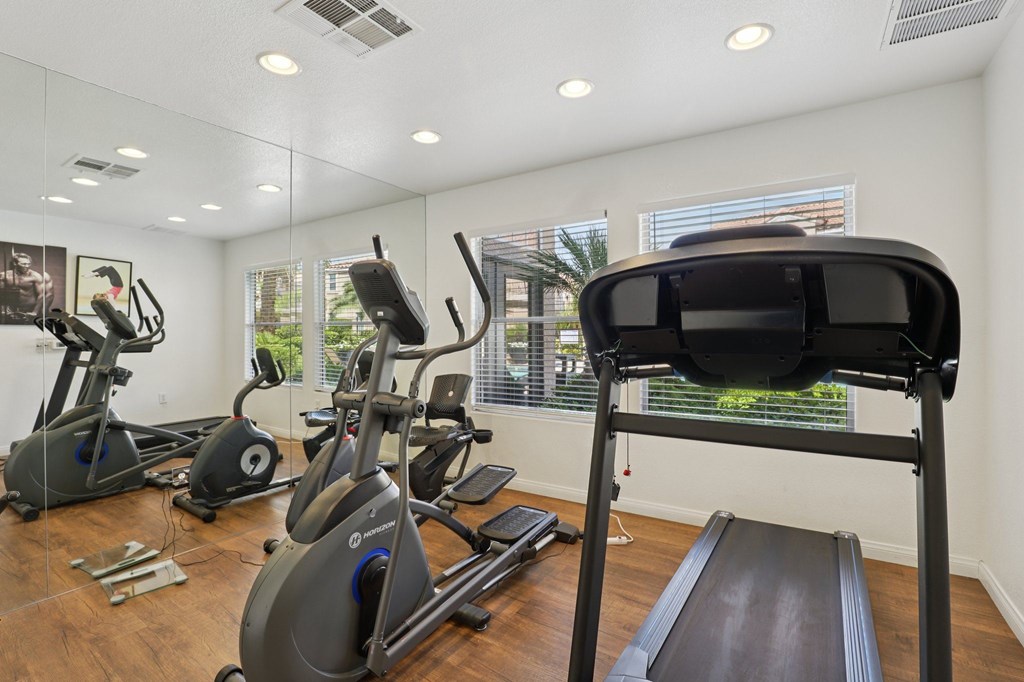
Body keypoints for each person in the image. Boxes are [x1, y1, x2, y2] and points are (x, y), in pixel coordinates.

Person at [0, 252, 53, 323]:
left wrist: (35, 312)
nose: (27, 266)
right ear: (15, 264)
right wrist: (3, 309)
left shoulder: (35, 276)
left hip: (29, 311)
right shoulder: (4, 276)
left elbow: (41, 295)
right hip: (11, 312)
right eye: (24, 264)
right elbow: (1, 294)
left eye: (28, 264)